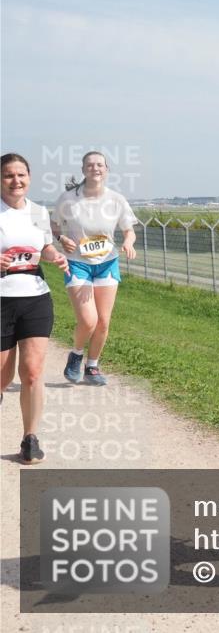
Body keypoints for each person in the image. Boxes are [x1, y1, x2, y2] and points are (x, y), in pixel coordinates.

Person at [1, 153, 70, 463]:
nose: (16, 181)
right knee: (2, 377)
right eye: (8, 175)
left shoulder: (39, 213)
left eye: (21, 175)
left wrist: (56, 256)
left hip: (35, 295)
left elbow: (44, 246)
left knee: (31, 372)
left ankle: (30, 438)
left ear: (29, 177)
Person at [51, 151, 138, 386]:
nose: (95, 168)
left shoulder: (116, 200)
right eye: (90, 165)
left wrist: (128, 242)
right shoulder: (68, 199)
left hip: (107, 263)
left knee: (103, 322)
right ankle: (76, 354)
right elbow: (54, 224)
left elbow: (129, 230)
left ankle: (92, 366)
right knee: (88, 320)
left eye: (100, 164)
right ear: (83, 170)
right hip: (78, 263)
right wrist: (61, 238)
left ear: (107, 169)